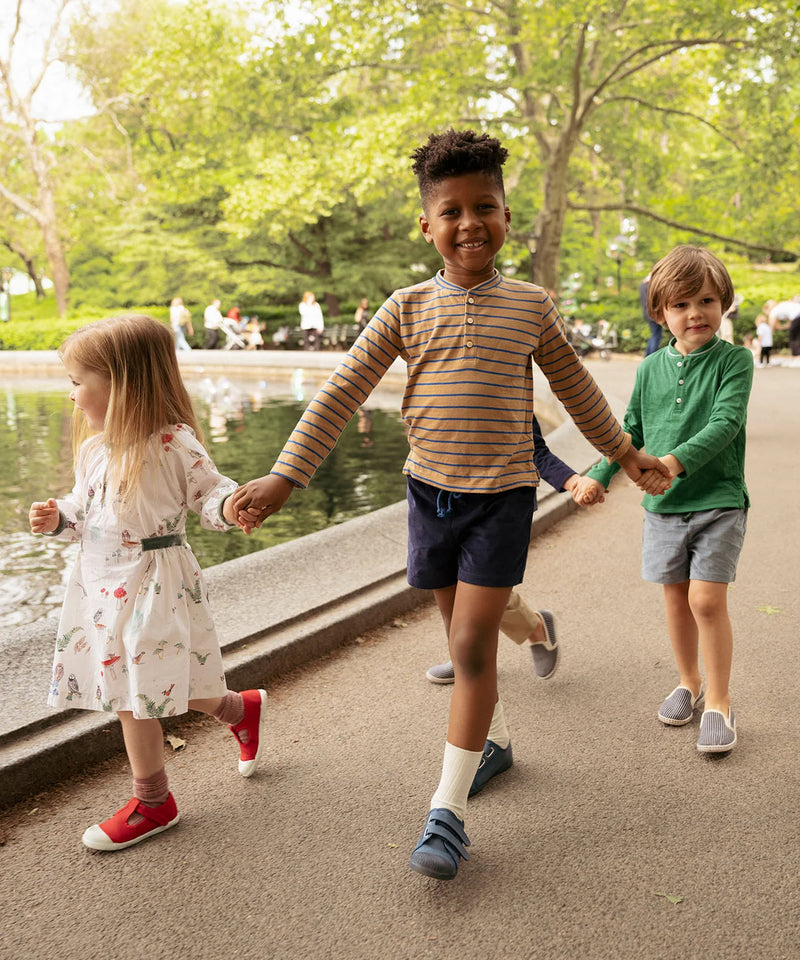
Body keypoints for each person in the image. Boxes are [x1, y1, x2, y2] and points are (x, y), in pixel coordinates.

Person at [230, 128, 668, 882]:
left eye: (486, 207)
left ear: (507, 216)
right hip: (428, 499)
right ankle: (492, 743)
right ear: (426, 226)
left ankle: (446, 815)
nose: (471, 223)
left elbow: (578, 393)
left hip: (500, 501)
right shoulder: (403, 309)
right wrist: (284, 477)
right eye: (453, 210)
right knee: (469, 639)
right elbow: (341, 393)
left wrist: (626, 456)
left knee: (468, 648)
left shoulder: (531, 306)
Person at [28, 314, 266, 852]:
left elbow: (211, 493)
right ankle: (237, 708)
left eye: (76, 382)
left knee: (135, 696)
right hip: (101, 586)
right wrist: (59, 517)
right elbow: (87, 510)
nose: (71, 395)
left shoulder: (173, 443)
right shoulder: (95, 450)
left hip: (154, 585)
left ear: (121, 384)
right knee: (155, 682)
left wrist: (234, 506)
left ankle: (154, 802)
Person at [588, 245, 752, 755]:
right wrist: (600, 473)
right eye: (680, 305)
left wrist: (671, 464)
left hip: (719, 498)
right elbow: (631, 427)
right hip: (663, 508)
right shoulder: (650, 367)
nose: (694, 313)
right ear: (661, 313)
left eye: (705, 300)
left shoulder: (735, 361)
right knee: (676, 600)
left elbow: (726, 423)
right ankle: (690, 682)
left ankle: (720, 703)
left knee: (706, 599)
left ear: (723, 303)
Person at [425, 414, 606, 701]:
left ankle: (479, 653)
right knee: (452, 583)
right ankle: (469, 652)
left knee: (481, 585)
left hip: (499, 503)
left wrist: (572, 482)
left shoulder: (509, 390)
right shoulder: (432, 382)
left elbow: (534, 449)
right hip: (439, 500)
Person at [640, 273, 662, 356]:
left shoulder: (643, 284)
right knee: (656, 336)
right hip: (653, 313)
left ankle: (648, 355)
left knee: (654, 334)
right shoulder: (648, 284)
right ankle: (651, 356)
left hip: (647, 313)